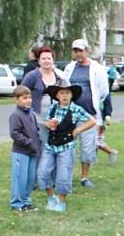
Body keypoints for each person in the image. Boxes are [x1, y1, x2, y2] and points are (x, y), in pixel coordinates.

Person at [37, 79, 96, 212]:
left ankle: (62, 202)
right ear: (57, 95)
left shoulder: (76, 109)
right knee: (43, 172)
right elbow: (46, 122)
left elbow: (92, 121)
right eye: (62, 93)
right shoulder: (53, 108)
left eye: (67, 93)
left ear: (71, 95)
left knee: (64, 175)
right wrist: (49, 124)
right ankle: (51, 198)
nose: (64, 95)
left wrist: (77, 130)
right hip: (50, 145)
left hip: (66, 147)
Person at [63, 39, 109, 189]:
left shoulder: (97, 68)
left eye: (80, 51)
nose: (78, 54)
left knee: (88, 146)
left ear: (86, 51)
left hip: (88, 114)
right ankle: (66, 175)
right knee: (68, 145)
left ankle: (84, 177)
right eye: (75, 51)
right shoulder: (70, 68)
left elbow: (103, 91)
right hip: (70, 113)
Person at [21, 46, 66, 146]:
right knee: (40, 146)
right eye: (43, 58)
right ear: (39, 61)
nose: (46, 61)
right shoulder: (32, 76)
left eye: (49, 58)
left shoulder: (59, 77)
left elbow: (67, 94)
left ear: (53, 60)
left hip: (56, 118)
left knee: (54, 146)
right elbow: (21, 93)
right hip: (38, 119)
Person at [8, 85, 42, 212]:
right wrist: (28, 142)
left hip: (32, 151)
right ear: (16, 100)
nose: (28, 100)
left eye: (29, 97)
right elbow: (15, 133)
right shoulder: (16, 115)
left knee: (30, 178)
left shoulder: (31, 113)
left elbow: (35, 130)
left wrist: (37, 143)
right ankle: (17, 203)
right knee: (20, 178)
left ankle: (26, 201)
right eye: (24, 98)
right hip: (21, 152)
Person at [96, 93, 119, 164]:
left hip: (100, 119)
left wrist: (107, 117)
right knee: (92, 140)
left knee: (97, 140)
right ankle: (93, 159)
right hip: (91, 117)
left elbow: (108, 106)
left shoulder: (104, 92)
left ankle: (111, 152)